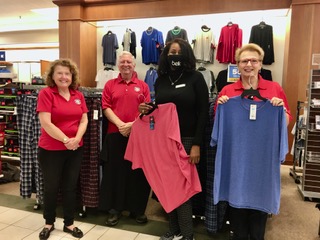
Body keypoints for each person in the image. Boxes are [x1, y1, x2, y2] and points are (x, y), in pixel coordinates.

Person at [213, 43, 291, 240]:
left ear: (260, 64)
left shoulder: (274, 89)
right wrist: (220, 107)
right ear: (237, 65)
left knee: (258, 220)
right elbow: (218, 126)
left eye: (253, 61)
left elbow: (286, 121)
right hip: (236, 164)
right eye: (244, 61)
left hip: (261, 164)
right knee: (237, 213)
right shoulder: (227, 92)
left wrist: (280, 111)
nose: (249, 64)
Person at [139, 38, 209, 240]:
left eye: (178, 51)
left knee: (182, 189)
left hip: (186, 140)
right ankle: (174, 228)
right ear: (165, 56)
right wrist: (148, 109)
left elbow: (203, 112)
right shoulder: (160, 80)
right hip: (164, 140)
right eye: (171, 52)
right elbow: (161, 109)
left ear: (185, 54)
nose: (174, 55)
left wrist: (196, 143)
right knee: (166, 185)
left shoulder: (196, 78)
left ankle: (187, 234)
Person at [37, 59, 88, 240]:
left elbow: (84, 120)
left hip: (75, 149)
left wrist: (77, 139)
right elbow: (46, 123)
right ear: (52, 75)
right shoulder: (46, 94)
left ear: (72, 76)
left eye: (67, 73)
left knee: (70, 187)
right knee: (51, 187)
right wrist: (66, 140)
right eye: (59, 73)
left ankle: (69, 223)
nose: (64, 77)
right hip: (51, 150)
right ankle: (48, 223)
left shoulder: (78, 95)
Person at [99, 51, 151, 226]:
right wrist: (121, 124)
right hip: (115, 135)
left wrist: (131, 126)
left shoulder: (143, 86)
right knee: (114, 174)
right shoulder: (109, 85)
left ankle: (136, 210)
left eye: (129, 61)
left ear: (134, 65)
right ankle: (114, 210)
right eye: (122, 62)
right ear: (118, 65)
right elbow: (105, 107)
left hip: (137, 136)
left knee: (137, 174)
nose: (126, 64)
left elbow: (147, 110)